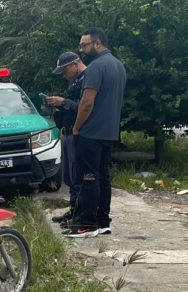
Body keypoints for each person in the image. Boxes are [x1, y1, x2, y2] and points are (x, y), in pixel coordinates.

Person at [68, 27, 127, 238]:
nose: (81, 50)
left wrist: (76, 128)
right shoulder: (118, 66)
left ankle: (87, 224)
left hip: (91, 132)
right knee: (103, 177)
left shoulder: (95, 67)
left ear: (98, 43)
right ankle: (103, 221)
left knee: (88, 178)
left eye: (84, 45)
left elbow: (86, 103)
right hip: (109, 132)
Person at [46, 52, 87, 225]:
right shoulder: (73, 82)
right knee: (69, 177)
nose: (64, 75)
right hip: (68, 132)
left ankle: (80, 215)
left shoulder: (87, 80)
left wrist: (64, 103)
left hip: (80, 133)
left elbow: (86, 106)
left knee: (78, 176)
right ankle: (73, 210)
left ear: (75, 65)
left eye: (65, 71)